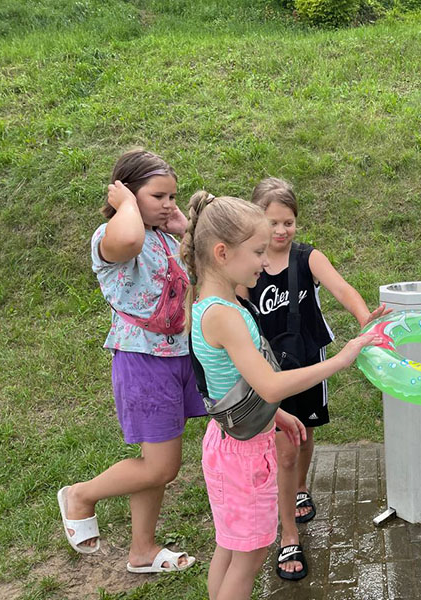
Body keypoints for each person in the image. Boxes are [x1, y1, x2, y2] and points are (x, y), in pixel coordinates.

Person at [180, 190, 377, 599]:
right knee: (249, 558)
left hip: (230, 439)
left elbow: (242, 384)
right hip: (244, 455)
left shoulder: (209, 305)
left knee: (230, 549)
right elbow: (269, 385)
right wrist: (341, 359)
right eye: (256, 252)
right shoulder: (226, 315)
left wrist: (277, 416)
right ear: (221, 253)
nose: (264, 261)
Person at [57, 149, 204, 573]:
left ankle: (142, 550)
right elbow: (128, 240)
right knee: (162, 466)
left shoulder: (162, 236)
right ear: (126, 192)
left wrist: (183, 228)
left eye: (173, 196)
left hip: (177, 356)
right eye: (158, 195)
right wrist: (124, 207)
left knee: (155, 466)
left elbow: (208, 266)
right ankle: (81, 495)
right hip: (143, 360)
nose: (169, 204)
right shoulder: (110, 234)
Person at [244, 178, 389, 580]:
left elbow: (341, 287)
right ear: (257, 220)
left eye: (288, 222)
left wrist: (363, 317)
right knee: (284, 450)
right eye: (272, 222)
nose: (281, 231)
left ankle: (300, 486)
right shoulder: (246, 263)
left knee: (305, 435)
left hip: (309, 360)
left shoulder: (307, 257)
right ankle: (287, 532)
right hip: (265, 367)